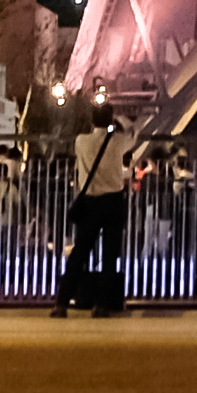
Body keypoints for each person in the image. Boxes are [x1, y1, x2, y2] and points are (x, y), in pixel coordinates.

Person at [60, 103, 134, 316]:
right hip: (113, 201)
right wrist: (122, 119)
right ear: (111, 120)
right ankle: (102, 304)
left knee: (80, 252)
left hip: (90, 202)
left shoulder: (80, 141)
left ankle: (62, 301)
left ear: (92, 120)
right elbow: (133, 134)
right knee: (110, 255)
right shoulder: (118, 141)